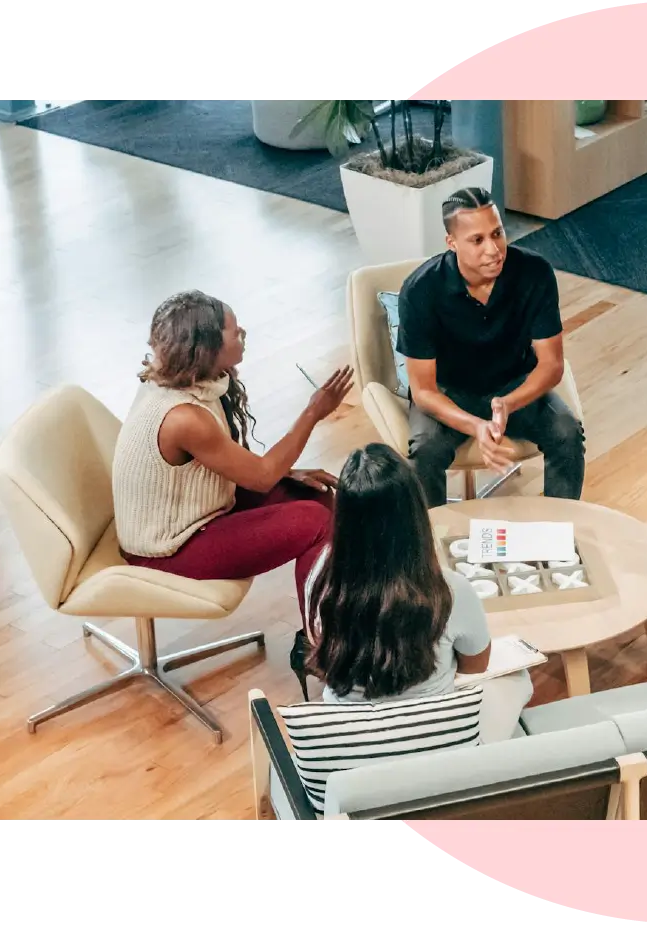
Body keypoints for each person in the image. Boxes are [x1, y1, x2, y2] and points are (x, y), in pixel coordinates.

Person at [112, 289, 354, 626]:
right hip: (166, 549)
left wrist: (287, 473)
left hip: (198, 511)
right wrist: (313, 412)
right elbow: (262, 477)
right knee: (316, 523)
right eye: (233, 330)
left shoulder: (192, 381)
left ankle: (331, 628)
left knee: (316, 496)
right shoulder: (184, 417)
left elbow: (238, 467)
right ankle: (324, 646)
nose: (242, 333)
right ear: (206, 346)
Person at [295, 443, 532, 744]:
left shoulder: (320, 579)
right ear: (415, 516)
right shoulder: (450, 590)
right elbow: (476, 665)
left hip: (351, 737)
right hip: (433, 740)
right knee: (517, 678)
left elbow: (319, 643)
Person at [396, 186, 586, 508]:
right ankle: (430, 534)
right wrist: (476, 426)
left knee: (567, 434)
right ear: (452, 243)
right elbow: (424, 390)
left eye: (497, 233)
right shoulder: (419, 290)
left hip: (515, 384)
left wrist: (508, 404)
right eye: (477, 240)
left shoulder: (534, 272)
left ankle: (559, 527)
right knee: (426, 450)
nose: (494, 250)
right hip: (449, 391)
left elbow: (552, 365)